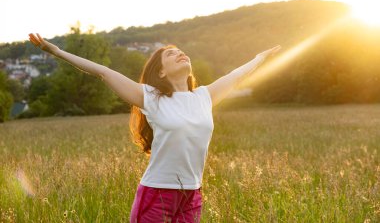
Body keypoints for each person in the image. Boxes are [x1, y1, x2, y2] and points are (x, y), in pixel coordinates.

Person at [28, 33, 281, 222]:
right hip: (156, 194)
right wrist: (56, 51)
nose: (180, 53)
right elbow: (102, 72)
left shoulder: (204, 96)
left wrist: (260, 58)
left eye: (181, 51)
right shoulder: (151, 97)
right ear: (160, 72)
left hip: (191, 196)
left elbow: (237, 76)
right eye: (170, 54)